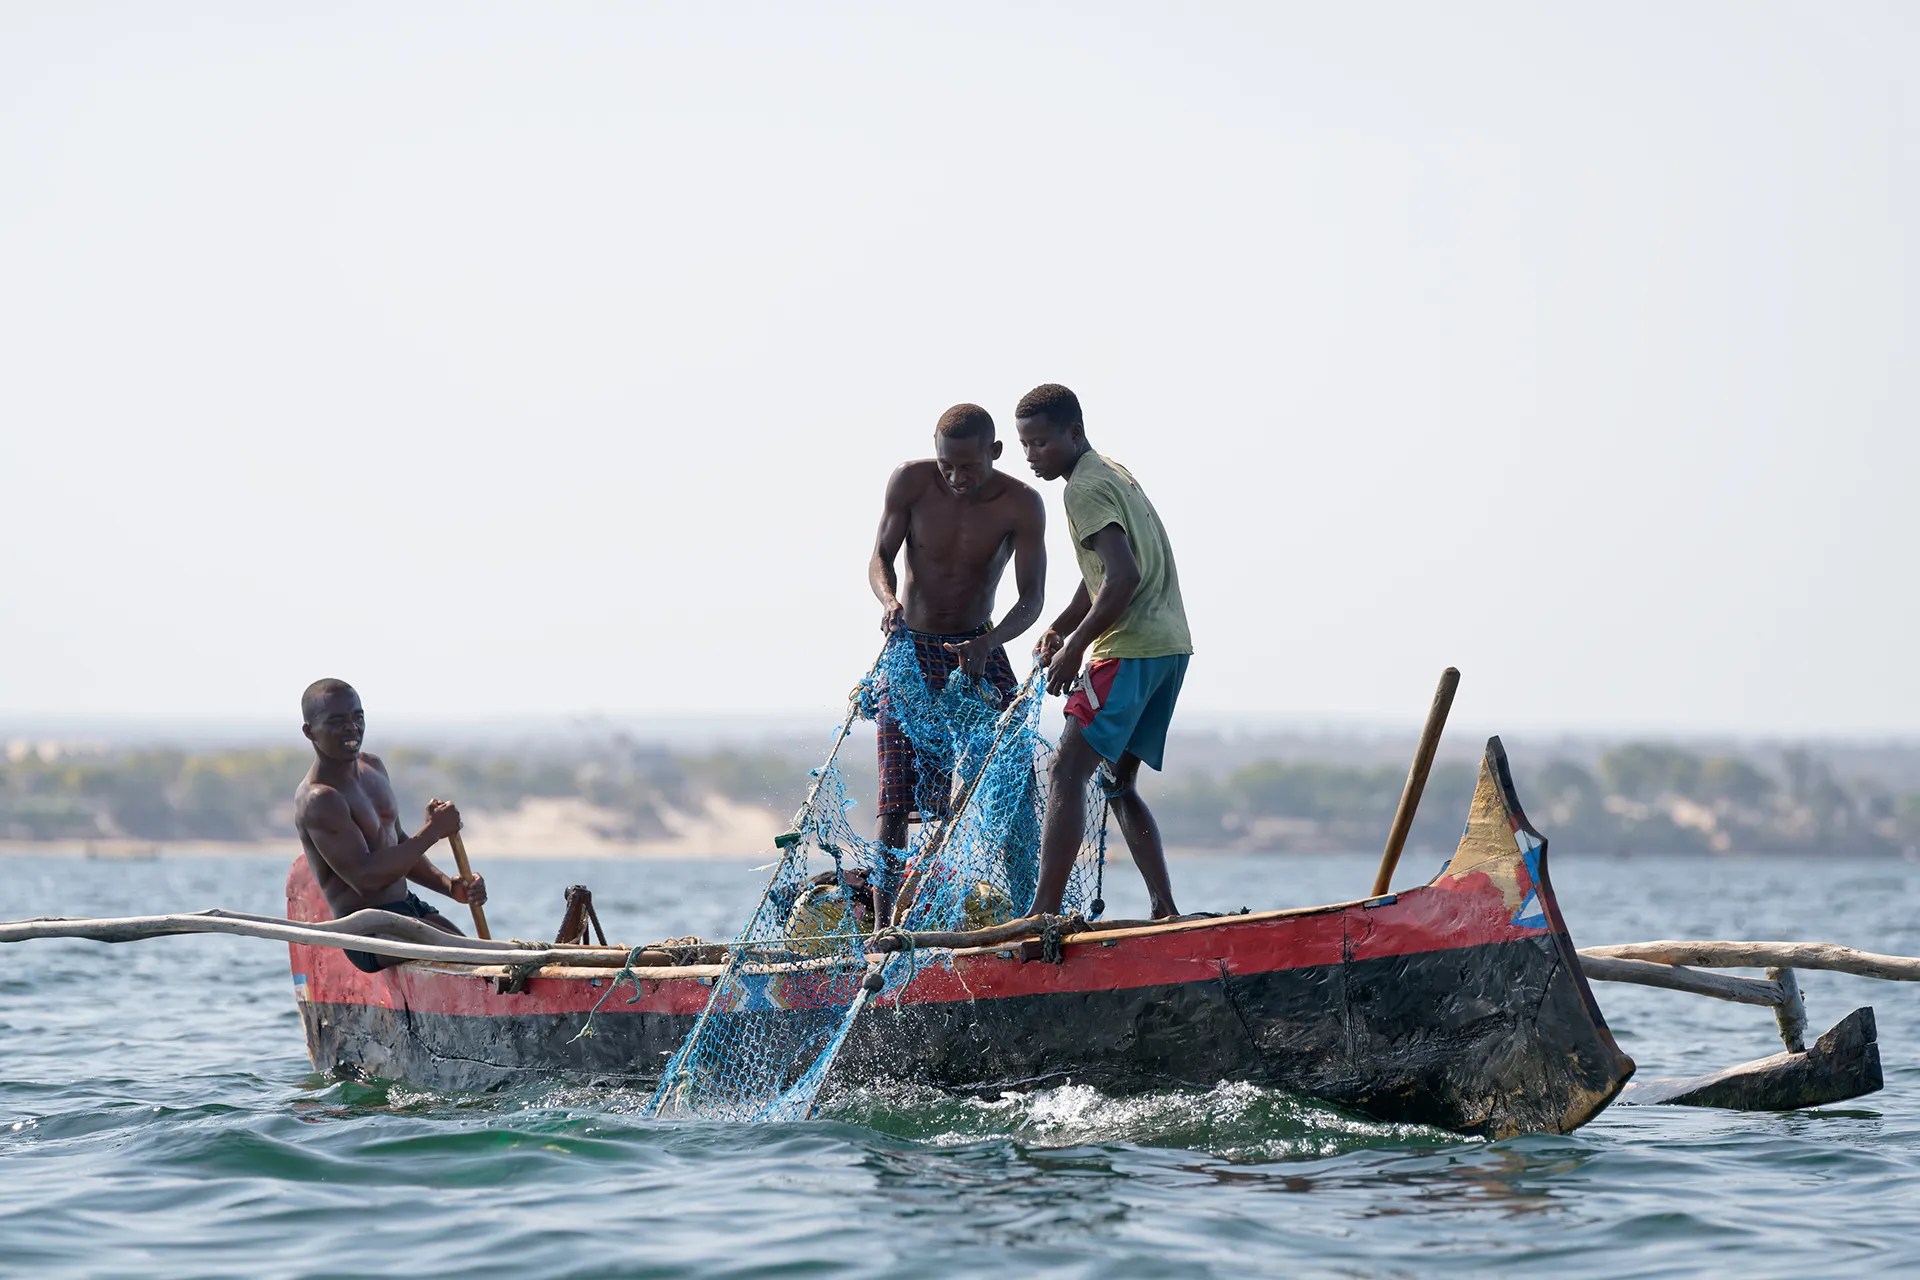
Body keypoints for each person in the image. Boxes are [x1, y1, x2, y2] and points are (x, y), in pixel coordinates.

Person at [1014, 384, 1192, 919]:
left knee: (1067, 771)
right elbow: (1102, 574)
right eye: (1025, 445)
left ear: (1074, 432)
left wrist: (1077, 646)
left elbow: (1123, 578)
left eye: (1041, 443)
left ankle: (1043, 909)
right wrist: (1062, 625)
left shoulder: (1083, 489)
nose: (1031, 456)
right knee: (1117, 782)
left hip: (1129, 649)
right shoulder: (1110, 472)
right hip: (1169, 649)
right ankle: (1164, 908)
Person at [868, 403, 1047, 863]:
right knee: (897, 795)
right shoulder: (910, 481)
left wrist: (990, 641)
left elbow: (1032, 599)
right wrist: (890, 602)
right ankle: (886, 927)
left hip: (979, 646)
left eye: (969, 467)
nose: (956, 477)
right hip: (910, 649)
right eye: (947, 465)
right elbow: (880, 559)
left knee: (1013, 776)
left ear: (997, 452)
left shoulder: (1021, 504)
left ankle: (1025, 907)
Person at [293, 678, 486, 972]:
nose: (351, 727)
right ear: (310, 732)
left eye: (357, 717)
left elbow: (396, 844)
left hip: (408, 909)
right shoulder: (320, 799)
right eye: (337, 720)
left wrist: (450, 887)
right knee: (471, 958)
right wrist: (433, 831)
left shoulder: (374, 768)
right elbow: (366, 876)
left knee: (486, 957)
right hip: (369, 933)